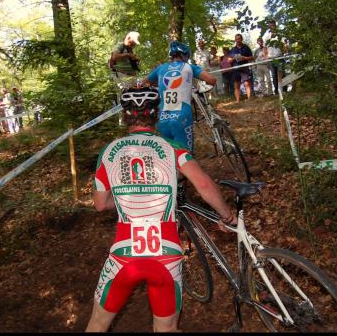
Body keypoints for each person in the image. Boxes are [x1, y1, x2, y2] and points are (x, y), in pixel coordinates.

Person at [85, 86, 237, 332]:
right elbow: (204, 184)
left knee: (99, 323)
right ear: (156, 115)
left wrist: (125, 197)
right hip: (166, 255)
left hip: (124, 255)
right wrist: (226, 215)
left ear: (124, 116)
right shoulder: (173, 147)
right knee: (166, 328)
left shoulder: (108, 152)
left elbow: (101, 204)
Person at [139, 41, 216, 153]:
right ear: (184, 55)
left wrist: (158, 85)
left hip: (162, 118)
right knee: (185, 158)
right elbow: (211, 80)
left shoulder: (161, 68)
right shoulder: (189, 67)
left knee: (170, 158)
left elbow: (141, 84)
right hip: (182, 117)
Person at [228, 34, 253, 103]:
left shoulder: (246, 47)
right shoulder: (233, 49)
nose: (237, 40)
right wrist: (234, 58)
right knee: (236, 84)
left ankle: (249, 99)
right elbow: (229, 60)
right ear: (235, 40)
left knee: (247, 83)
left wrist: (244, 58)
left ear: (241, 39)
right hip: (236, 68)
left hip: (244, 67)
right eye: (236, 39)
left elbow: (251, 57)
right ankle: (237, 101)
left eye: (239, 39)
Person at [263, 20, 284, 95]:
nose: (272, 26)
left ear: (275, 25)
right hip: (271, 59)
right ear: (268, 26)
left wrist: (283, 54)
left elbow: (283, 45)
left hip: (279, 57)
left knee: (281, 74)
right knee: (274, 75)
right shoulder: (266, 36)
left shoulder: (280, 34)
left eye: (273, 25)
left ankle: (283, 90)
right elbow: (265, 48)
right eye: (270, 25)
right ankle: (276, 91)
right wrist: (266, 59)